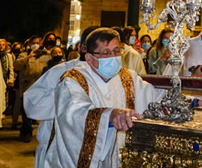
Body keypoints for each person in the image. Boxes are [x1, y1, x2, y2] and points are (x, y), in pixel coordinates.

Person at [44, 27, 165, 167]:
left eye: (117, 51)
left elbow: (154, 96)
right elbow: (75, 112)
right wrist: (109, 116)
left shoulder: (127, 78)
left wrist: (188, 101)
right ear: (89, 58)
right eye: (106, 53)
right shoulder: (73, 80)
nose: (113, 57)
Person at [24, 25, 97, 168]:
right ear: (83, 48)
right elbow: (32, 104)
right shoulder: (61, 71)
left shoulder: (113, 77)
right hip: (57, 151)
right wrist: (66, 98)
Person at [14, 34, 51, 142]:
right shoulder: (23, 55)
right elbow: (17, 66)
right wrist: (28, 57)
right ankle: (26, 131)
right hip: (27, 86)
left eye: (37, 43)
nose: (35, 45)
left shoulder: (45, 56)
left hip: (40, 87)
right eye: (33, 43)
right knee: (26, 110)